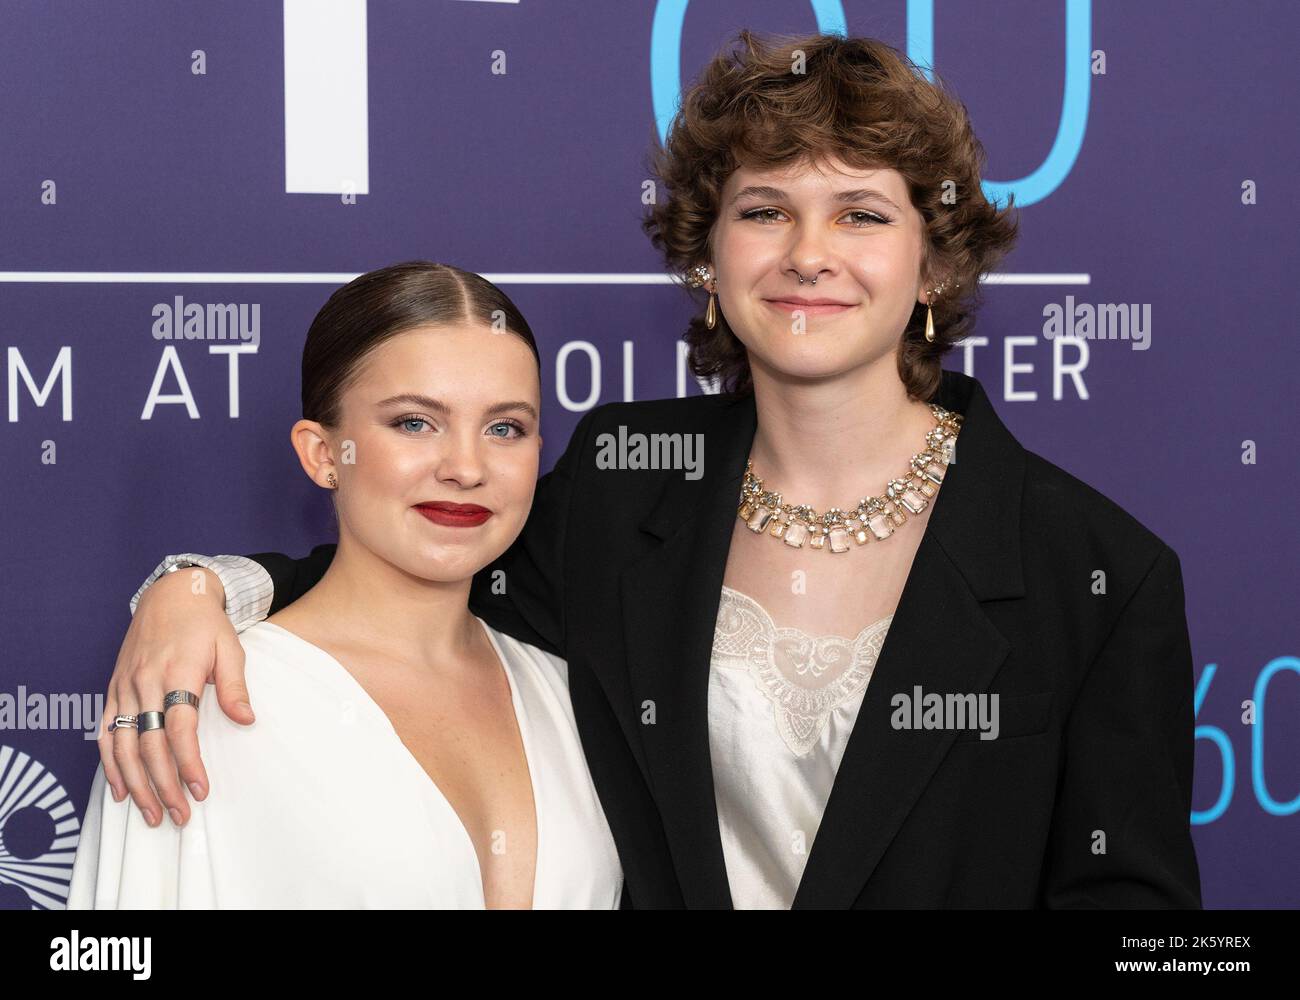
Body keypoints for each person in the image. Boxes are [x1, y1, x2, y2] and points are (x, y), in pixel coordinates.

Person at [96, 31, 1201, 908]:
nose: (806, 253)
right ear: (709, 261)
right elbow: (416, 582)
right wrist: (200, 588)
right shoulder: (624, 486)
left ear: (933, 263)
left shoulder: (1095, 572)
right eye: (763, 211)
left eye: (859, 213)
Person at [68, 262, 623, 908]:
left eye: (505, 428)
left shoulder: (567, 696)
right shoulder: (205, 702)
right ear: (322, 453)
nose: (467, 468)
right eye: (415, 422)